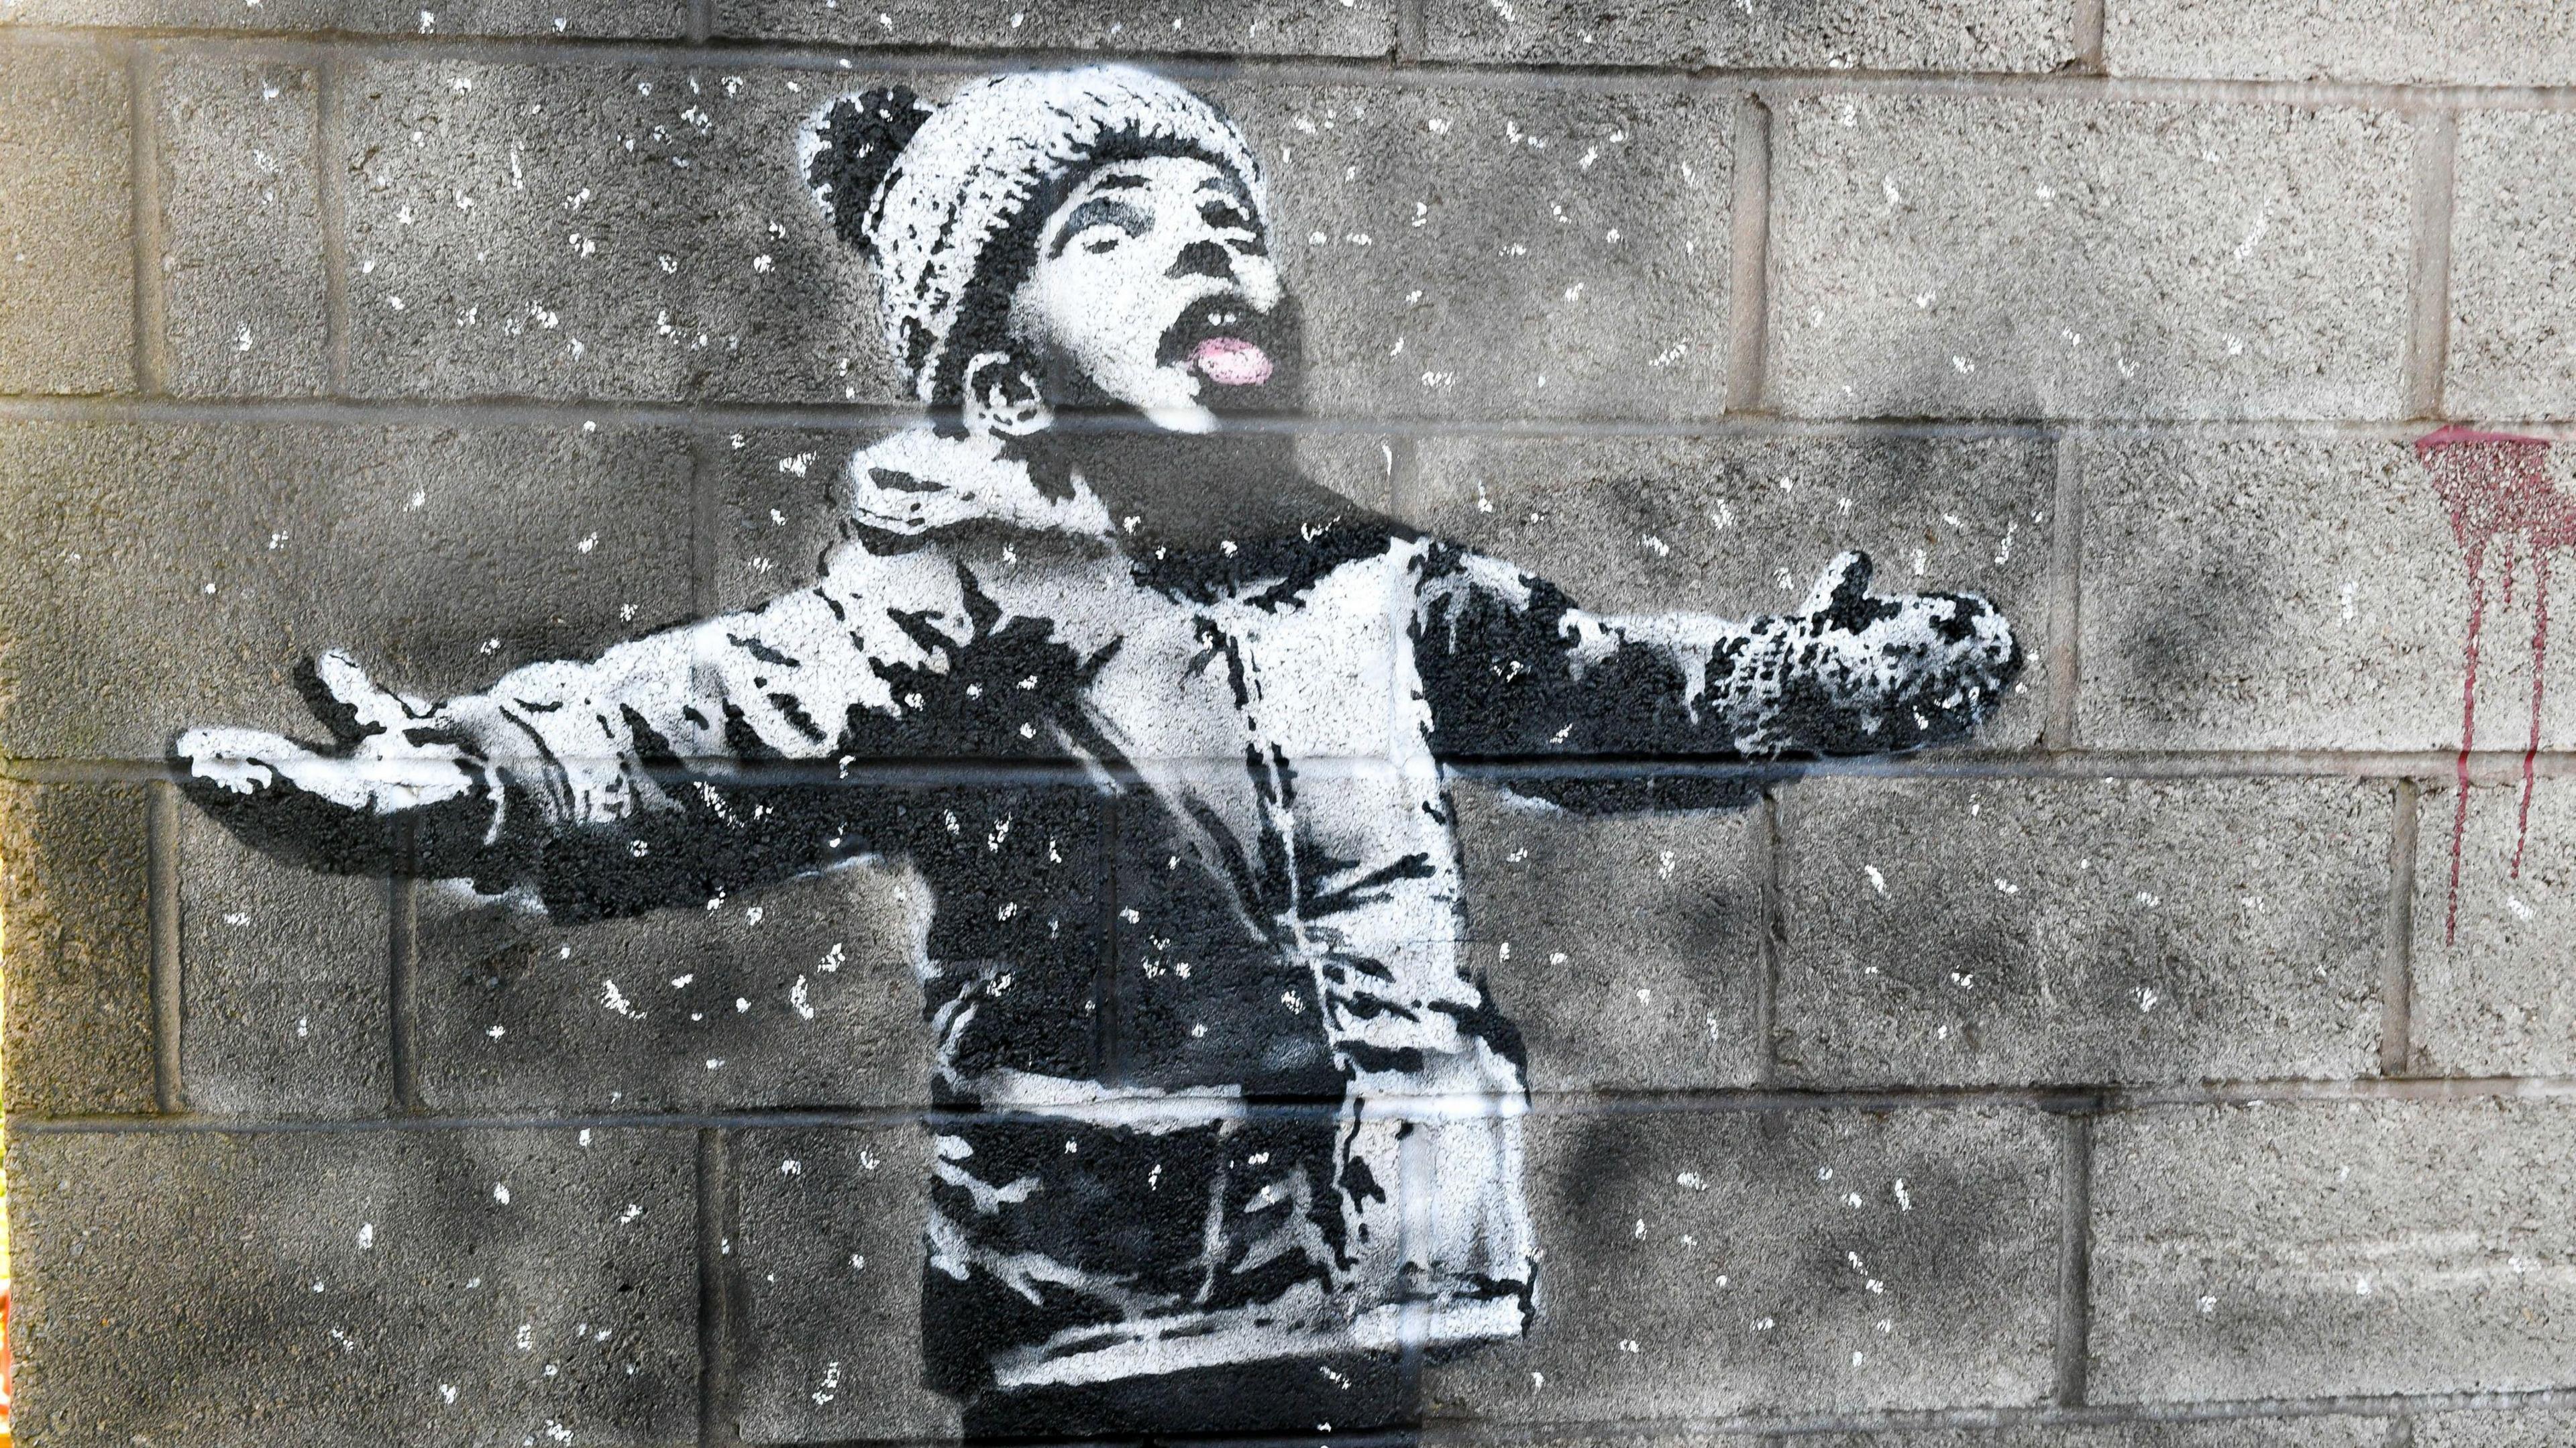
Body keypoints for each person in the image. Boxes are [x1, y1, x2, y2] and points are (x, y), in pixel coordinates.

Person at [175, 65, 2021, 1444]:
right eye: (1108, 233)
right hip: (1110, 1334)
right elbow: (736, 713)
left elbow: (1617, 699)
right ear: (1002, 388)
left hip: (1384, 1307)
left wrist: (1816, 683)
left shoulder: (1384, 593)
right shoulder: (971, 598)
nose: (1200, 245)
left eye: (1224, 223)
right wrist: (502, 770)